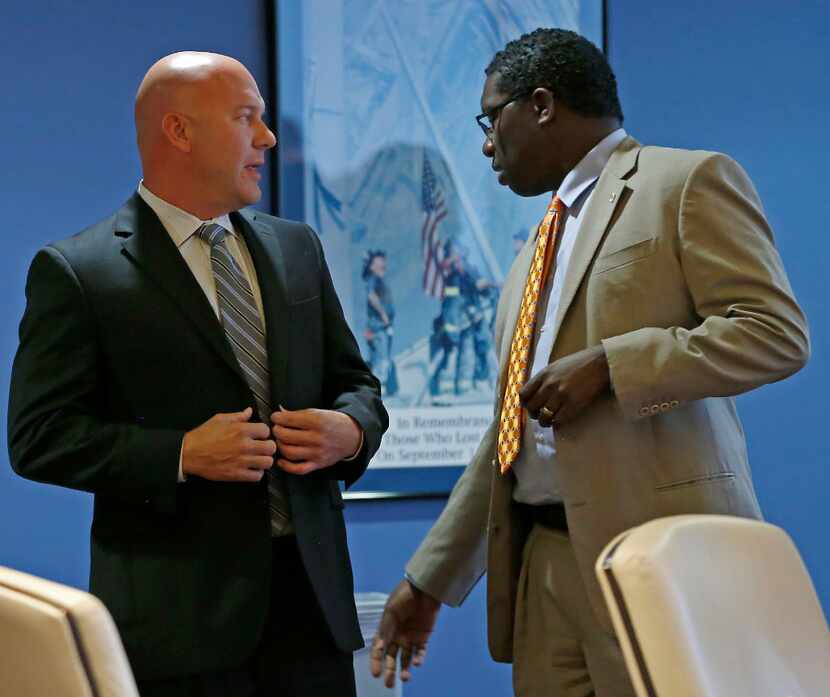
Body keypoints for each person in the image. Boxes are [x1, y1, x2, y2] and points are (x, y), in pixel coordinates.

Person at [371, 28, 809, 697]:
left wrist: (614, 365)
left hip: (658, 557)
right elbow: (509, 437)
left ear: (541, 103)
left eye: (493, 119)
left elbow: (774, 333)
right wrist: (428, 579)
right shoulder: (529, 256)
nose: (487, 143)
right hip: (543, 569)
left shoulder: (684, 182)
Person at [8, 52, 388, 697]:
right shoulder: (79, 271)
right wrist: (180, 453)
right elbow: (39, 437)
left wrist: (348, 432)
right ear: (180, 132)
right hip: (178, 635)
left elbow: (360, 389)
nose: (267, 139)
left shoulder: (298, 247)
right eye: (247, 119)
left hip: (312, 619)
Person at [363, 249, 397, 396]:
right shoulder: (372, 279)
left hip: (381, 327)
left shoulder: (378, 280)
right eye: (379, 262)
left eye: (383, 261)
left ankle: (378, 390)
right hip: (378, 327)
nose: (383, 264)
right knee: (381, 360)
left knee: (381, 359)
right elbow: (371, 296)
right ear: (372, 266)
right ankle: (378, 391)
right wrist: (383, 315)